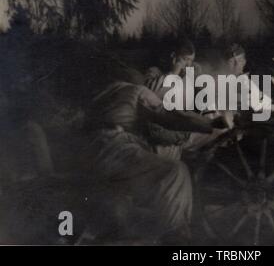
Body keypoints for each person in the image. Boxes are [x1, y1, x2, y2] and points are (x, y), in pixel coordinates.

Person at [83, 77, 228, 242]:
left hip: (92, 150)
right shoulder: (140, 92)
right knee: (175, 172)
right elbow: (168, 115)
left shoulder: (112, 91)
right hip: (113, 149)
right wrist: (211, 123)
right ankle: (175, 237)